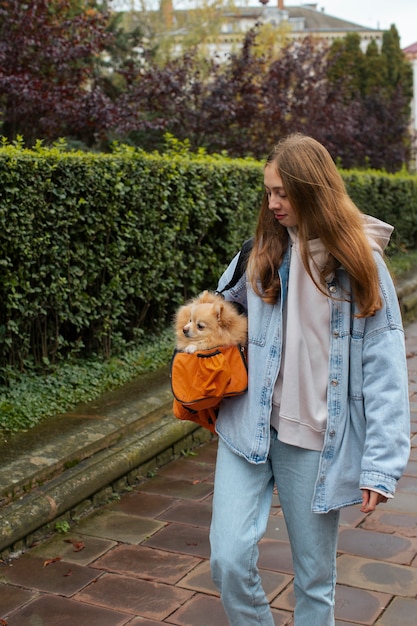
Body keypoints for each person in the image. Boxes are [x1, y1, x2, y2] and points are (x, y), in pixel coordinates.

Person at [209, 133, 410, 626]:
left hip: (317, 444)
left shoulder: (361, 265)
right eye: (269, 192)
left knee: (315, 583)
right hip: (248, 428)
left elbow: (386, 367)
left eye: (283, 192)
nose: (273, 203)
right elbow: (215, 314)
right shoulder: (260, 252)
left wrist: (381, 464)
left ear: (312, 189)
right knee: (228, 560)